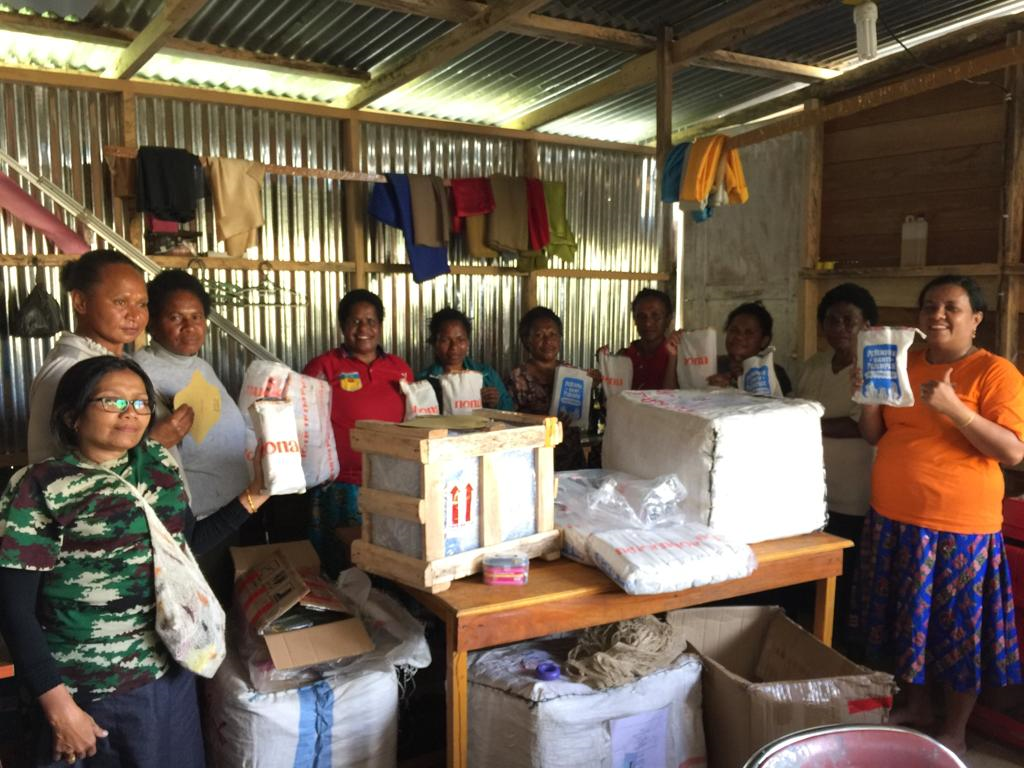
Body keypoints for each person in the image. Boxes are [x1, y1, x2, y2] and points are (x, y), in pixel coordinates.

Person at [0, 356, 268, 767]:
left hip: (167, 676)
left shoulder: (159, 465)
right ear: (72, 415)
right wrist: (59, 708)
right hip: (85, 690)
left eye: (141, 403)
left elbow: (187, 543)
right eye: (113, 402)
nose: (132, 414)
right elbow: (14, 609)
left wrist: (254, 496)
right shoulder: (40, 486)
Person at [853, 275, 1024, 755]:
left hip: (960, 529)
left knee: (957, 630)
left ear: (976, 319)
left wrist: (956, 410)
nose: (938, 315)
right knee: (907, 621)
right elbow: (874, 434)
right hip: (892, 516)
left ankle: (954, 729)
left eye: (952, 307)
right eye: (930, 306)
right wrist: (866, 396)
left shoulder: (996, 373)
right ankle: (917, 705)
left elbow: (1013, 453)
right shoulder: (904, 361)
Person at [134, 270, 251, 599]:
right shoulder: (141, 372)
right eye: (175, 317)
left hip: (230, 510)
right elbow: (150, 450)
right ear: (152, 322)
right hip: (198, 523)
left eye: (196, 317)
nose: (190, 327)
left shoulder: (198, 366)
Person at [26, 249, 193, 463]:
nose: (135, 315)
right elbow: (61, 468)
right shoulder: (68, 369)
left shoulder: (121, 362)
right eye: (120, 302)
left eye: (142, 304)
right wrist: (156, 443)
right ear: (81, 302)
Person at [303, 289, 413, 575]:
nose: (363, 329)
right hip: (339, 487)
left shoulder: (399, 369)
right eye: (355, 321)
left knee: (387, 565)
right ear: (342, 326)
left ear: (380, 325)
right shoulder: (323, 367)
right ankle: (344, 620)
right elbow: (304, 425)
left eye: (371, 321)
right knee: (339, 566)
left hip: (389, 485)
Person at [796, 283, 878, 647]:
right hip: (814, 490)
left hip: (856, 490)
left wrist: (807, 422)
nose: (840, 327)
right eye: (831, 320)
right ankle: (814, 639)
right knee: (813, 575)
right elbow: (797, 409)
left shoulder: (871, 368)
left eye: (850, 320)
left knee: (848, 578)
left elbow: (861, 427)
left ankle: (843, 647)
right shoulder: (814, 366)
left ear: (867, 326)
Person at [506, 306, 589, 469]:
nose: (547, 341)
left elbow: (585, 414)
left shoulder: (574, 374)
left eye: (553, 334)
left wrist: (592, 385)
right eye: (539, 335)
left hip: (572, 459)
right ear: (526, 340)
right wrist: (545, 424)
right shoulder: (516, 378)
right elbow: (509, 426)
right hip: (534, 460)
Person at [415, 307, 514, 411]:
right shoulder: (423, 381)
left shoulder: (487, 374)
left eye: (460, 339)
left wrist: (495, 403)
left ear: (467, 342)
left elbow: (509, 410)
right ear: (435, 344)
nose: (454, 347)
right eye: (445, 340)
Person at [707, 301, 792, 394]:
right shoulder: (710, 366)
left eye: (748, 333)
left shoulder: (775, 374)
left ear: (764, 341)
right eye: (734, 330)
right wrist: (710, 389)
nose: (739, 337)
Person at [619, 288, 674, 390]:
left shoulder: (678, 358)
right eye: (641, 316)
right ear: (635, 320)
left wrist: (673, 360)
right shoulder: (624, 357)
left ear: (668, 319)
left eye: (655, 316)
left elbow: (672, 399)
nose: (648, 323)